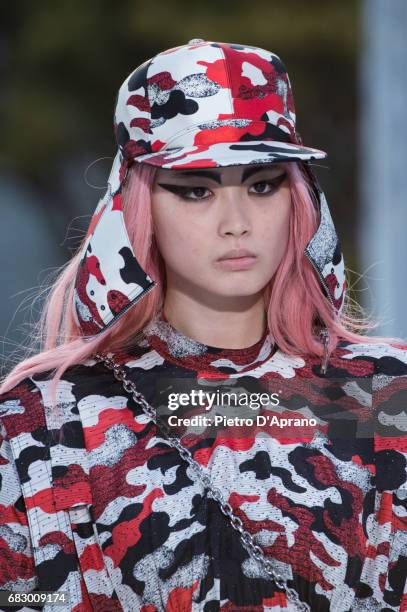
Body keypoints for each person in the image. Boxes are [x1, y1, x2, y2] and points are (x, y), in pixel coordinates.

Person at [0, 39, 406, 612]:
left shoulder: (386, 394)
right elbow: (23, 597)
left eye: (263, 184)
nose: (236, 223)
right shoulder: (40, 419)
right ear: (134, 204)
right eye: (195, 190)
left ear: (300, 198)